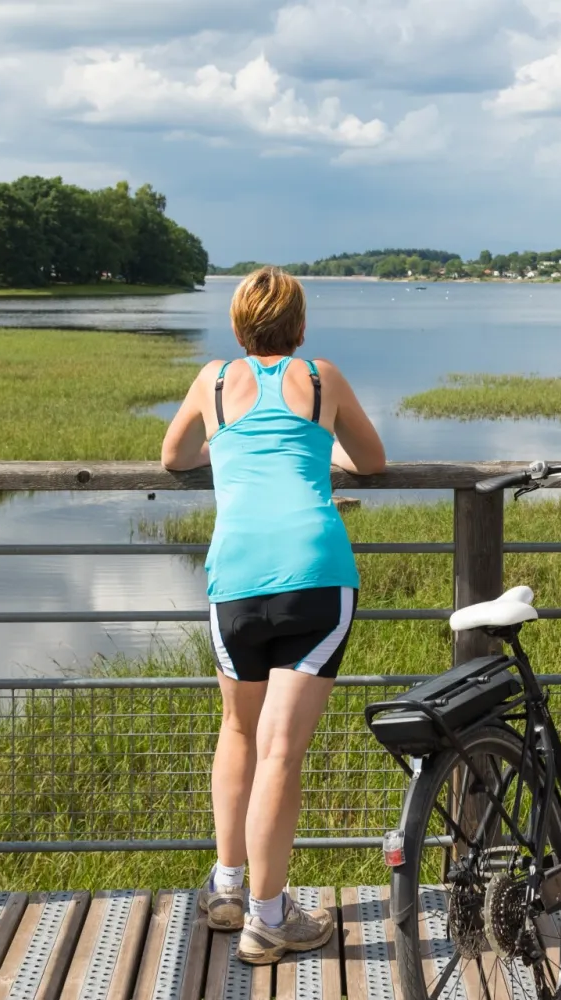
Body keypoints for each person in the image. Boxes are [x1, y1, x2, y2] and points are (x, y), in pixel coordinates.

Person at [161, 266, 386, 965]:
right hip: (315, 573)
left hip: (236, 576)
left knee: (237, 729)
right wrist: (322, 452)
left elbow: (173, 458)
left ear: (236, 326)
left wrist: (222, 450)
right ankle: (267, 920)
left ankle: (228, 890)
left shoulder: (214, 381)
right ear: (301, 326)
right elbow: (373, 461)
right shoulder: (321, 378)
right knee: (282, 753)